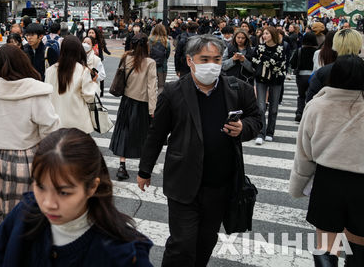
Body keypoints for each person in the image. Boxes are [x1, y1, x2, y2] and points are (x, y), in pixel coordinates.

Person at [137, 35, 261, 267]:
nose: (211, 65)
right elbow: (156, 134)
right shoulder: (173, 92)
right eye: (204, 59)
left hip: (220, 184)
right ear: (190, 60)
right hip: (183, 182)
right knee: (182, 244)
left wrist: (244, 128)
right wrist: (145, 170)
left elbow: (256, 119)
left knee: (206, 240)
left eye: (216, 59)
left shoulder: (237, 89)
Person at [0, 128, 154, 266]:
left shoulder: (124, 254)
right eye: (41, 186)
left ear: (92, 187)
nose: (48, 203)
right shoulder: (25, 211)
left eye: (64, 192)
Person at [289, 55, 364, 266]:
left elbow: (304, 152)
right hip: (361, 181)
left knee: (326, 242)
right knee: (359, 242)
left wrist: (299, 184)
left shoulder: (317, 106)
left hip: (328, 180)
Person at [0, 44, 60, 233]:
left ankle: (5, 251)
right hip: (31, 157)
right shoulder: (35, 91)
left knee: (5, 213)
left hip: (3, 159)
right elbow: (51, 129)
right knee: (29, 215)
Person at [109, 33, 157, 180]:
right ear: (146, 45)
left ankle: (122, 166)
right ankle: (143, 166)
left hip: (127, 101)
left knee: (124, 132)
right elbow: (152, 88)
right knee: (143, 135)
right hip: (142, 103)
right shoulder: (150, 63)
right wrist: (153, 109)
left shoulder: (126, 58)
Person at [44, 36, 98, 134]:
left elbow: (47, 96)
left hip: (56, 123)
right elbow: (90, 97)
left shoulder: (50, 71)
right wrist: (94, 83)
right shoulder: (83, 71)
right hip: (78, 124)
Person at [306, 28, 364, 104]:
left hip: (327, 112)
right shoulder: (360, 69)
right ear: (359, 46)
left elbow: (310, 100)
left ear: (335, 46)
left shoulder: (323, 72)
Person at [251, 26, 287, 145]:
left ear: (273, 35)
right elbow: (254, 61)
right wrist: (268, 61)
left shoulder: (281, 48)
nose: (264, 36)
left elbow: (279, 65)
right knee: (260, 106)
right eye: (263, 34)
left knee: (274, 108)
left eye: (267, 33)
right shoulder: (259, 47)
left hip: (276, 80)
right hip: (261, 79)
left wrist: (264, 59)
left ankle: (270, 132)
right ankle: (261, 132)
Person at [290, 32, 318, 122]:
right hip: (314, 76)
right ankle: (310, 115)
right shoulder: (317, 52)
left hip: (301, 76)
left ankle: (299, 112)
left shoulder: (299, 50)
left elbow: (292, 63)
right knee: (312, 96)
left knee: (301, 95)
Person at [148, 23, 171, 92]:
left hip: (151, 64)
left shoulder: (150, 40)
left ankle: (151, 101)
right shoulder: (166, 41)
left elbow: (148, 52)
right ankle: (159, 101)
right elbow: (167, 54)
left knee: (151, 85)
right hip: (162, 65)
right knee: (161, 86)